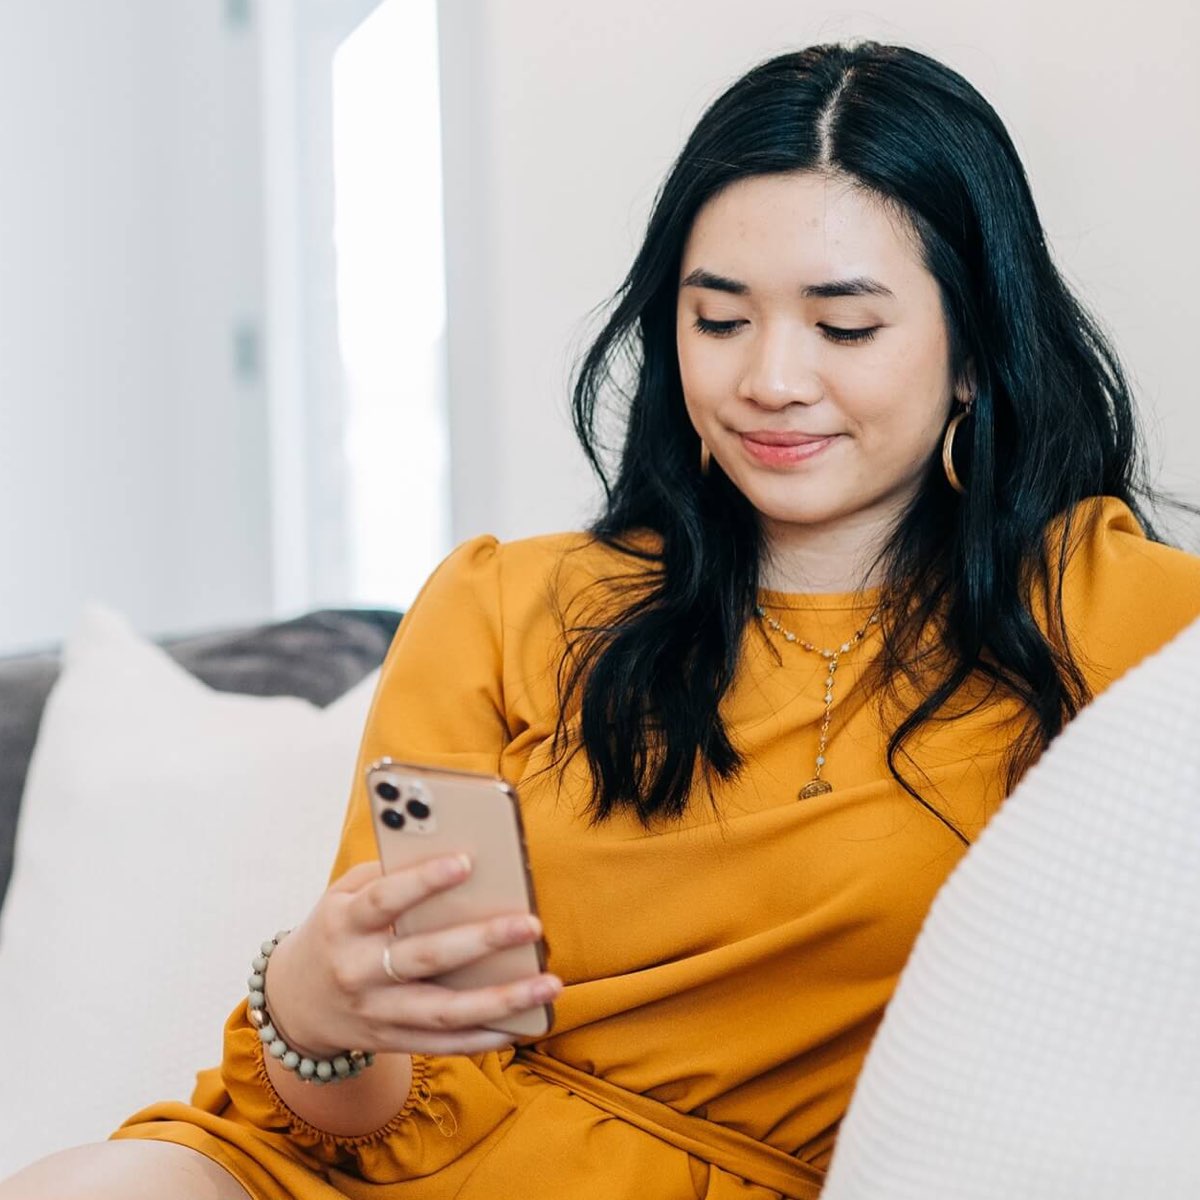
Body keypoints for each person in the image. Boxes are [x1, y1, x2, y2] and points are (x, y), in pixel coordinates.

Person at [4, 39, 1199, 1200]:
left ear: (975, 353)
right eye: (719, 319)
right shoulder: (507, 603)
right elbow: (361, 1107)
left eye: (845, 326)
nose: (770, 379)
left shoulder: (1115, 618)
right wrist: (315, 1007)